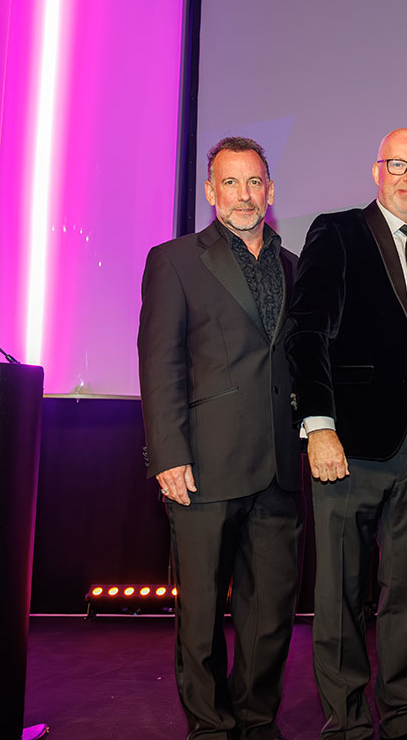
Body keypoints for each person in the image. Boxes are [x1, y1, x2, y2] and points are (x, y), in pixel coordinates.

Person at [285, 128, 407, 740]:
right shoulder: (338, 232)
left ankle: (402, 716)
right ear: (376, 171)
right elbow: (306, 332)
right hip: (350, 446)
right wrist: (319, 426)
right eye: (398, 164)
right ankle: (346, 722)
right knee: (341, 591)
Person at [138, 136, 303, 740]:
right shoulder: (175, 260)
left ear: (270, 190)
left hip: (280, 466)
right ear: (211, 192)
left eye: (254, 182)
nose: (243, 195)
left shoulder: (292, 265)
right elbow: (160, 363)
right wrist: (168, 454)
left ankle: (257, 722)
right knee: (202, 612)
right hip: (203, 465)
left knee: (271, 614)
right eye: (230, 183)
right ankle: (209, 728)